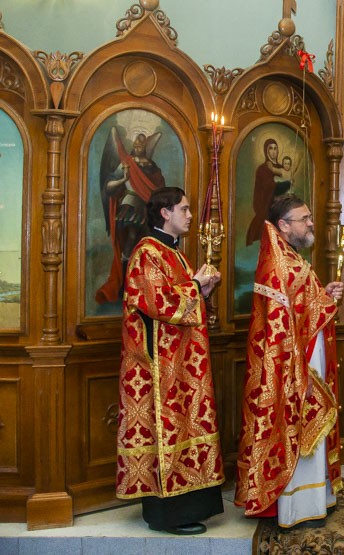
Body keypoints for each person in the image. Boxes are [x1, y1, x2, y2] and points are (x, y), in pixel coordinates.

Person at [115, 186, 224, 535]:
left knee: (189, 426)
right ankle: (168, 516)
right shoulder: (147, 252)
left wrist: (203, 289)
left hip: (183, 363)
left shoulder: (174, 252)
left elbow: (182, 299)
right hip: (159, 366)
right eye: (184, 209)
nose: (190, 216)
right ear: (165, 213)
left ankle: (191, 506)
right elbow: (157, 303)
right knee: (168, 430)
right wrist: (195, 285)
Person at [235, 194, 344, 528]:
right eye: (304, 219)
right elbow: (280, 329)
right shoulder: (278, 264)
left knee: (308, 431)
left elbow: (301, 308)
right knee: (296, 429)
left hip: (307, 357)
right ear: (284, 225)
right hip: (295, 364)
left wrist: (324, 296)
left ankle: (315, 497)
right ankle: (297, 505)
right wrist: (297, 372)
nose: (310, 223)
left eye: (309, 217)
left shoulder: (288, 256)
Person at [96, 127, 166, 303]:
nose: (138, 146)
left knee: (148, 244)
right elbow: (109, 186)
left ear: (145, 145)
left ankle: (144, 285)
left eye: (141, 143)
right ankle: (125, 284)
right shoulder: (127, 163)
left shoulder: (151, 166)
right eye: (136, 143)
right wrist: (123, 180)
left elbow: (160, 187)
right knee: (131, 239)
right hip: (131, 205)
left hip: (147, 208)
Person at [245, 138, 290, 246]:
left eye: (275, 148)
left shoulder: (281, 168)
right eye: (271, 148)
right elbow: (263, 189)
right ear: (266, 151)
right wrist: (280, 185)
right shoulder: (262, 169)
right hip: (266, 208)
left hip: (281, 209)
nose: (273, 151)